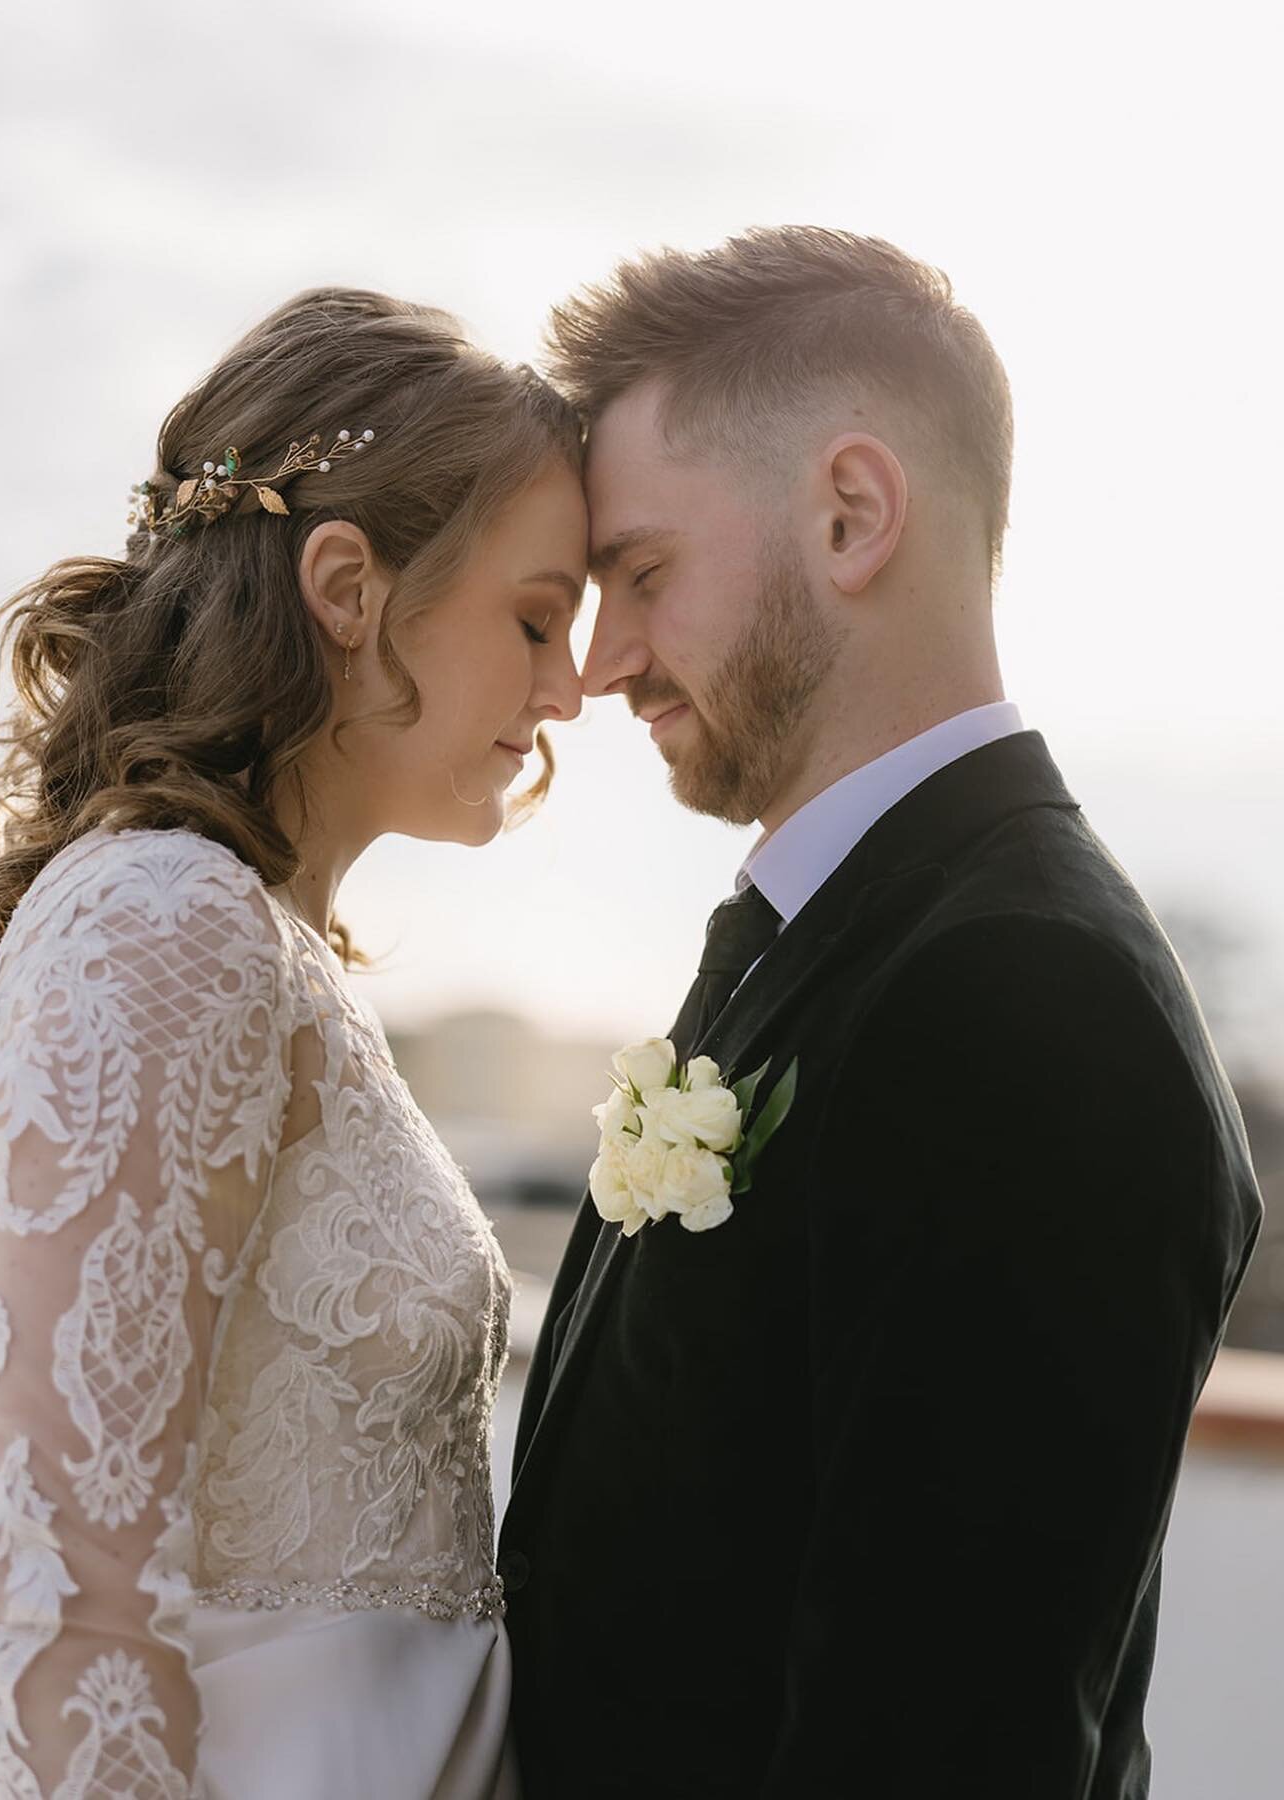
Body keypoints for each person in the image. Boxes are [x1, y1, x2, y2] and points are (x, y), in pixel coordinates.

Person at [499, 227, 1263, 1798]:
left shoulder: (1027, 1004)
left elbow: (935, 1748)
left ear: (851, 514)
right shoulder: (849, 932)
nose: (600, 665)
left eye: (639, 573)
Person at [0, 287, 586, 1800]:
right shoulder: (165, 921)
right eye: (535, 619)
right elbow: (58, 1592)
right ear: (347, 582)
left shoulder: (261, 938)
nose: (569, 689)